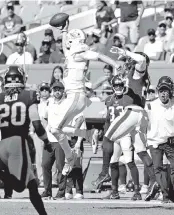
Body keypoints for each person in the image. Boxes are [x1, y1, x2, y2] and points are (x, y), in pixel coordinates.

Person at [49, 20, 120, 174]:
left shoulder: (80, 53)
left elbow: (100, 56)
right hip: (72, 97)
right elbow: (65, 43)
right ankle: (87, 134)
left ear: (74, 42)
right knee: (54, 128)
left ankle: (70, 158)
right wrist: (64, 31)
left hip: (76, 96)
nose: (66, 42)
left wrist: (115, 64)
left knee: (55, 128)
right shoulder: (72, 53)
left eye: (69, 40)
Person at [92, 48, 158, 201]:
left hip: (133, 111)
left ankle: (104, 172)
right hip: (141, 115)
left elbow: (141, 61)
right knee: (141, 151)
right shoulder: (135, 75)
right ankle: (155, 180)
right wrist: (123, 64)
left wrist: (127, 52)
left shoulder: (140, 69)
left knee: (108, 137)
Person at [0, 66, 51, 215]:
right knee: (20, 186)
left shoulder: (1, 97)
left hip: (2, 144)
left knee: (32, 184)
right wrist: (46, 141)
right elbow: (36, 124)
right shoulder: (28, 95)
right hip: (18, 144)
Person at [101, 75, 142, 200]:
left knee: (129, 160)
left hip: (125, 134)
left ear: (123, 86)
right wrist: (106, 133)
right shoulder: (108, 100)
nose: (118, 87)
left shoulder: (129, 99)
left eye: (120, 85)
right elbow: (108, 120)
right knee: (114, 162)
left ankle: (137, 191)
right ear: (113, 87)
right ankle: (115, 190)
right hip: (114, 135)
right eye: (116, 85)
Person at [145, 76, 174, 203]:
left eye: (166, 90)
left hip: (170, 141)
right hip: (154, 141)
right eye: (161, 90)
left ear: (170, 91)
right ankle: (165, 195)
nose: (163, 93)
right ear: (157, 91)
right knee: (158, 168)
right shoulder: (150, 105)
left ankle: (172, 195)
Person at [41, 82, 66, 199]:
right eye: (55, 89)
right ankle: (47, 190)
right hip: (49, 140)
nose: (57, 91)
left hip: (61, 139)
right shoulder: (49, 103)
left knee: (60, 166)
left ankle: (61, 191)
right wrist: (47, 129)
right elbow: (44, 118)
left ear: (63, 90)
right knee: (45, 165)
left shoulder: (67, 104)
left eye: (59, 89)